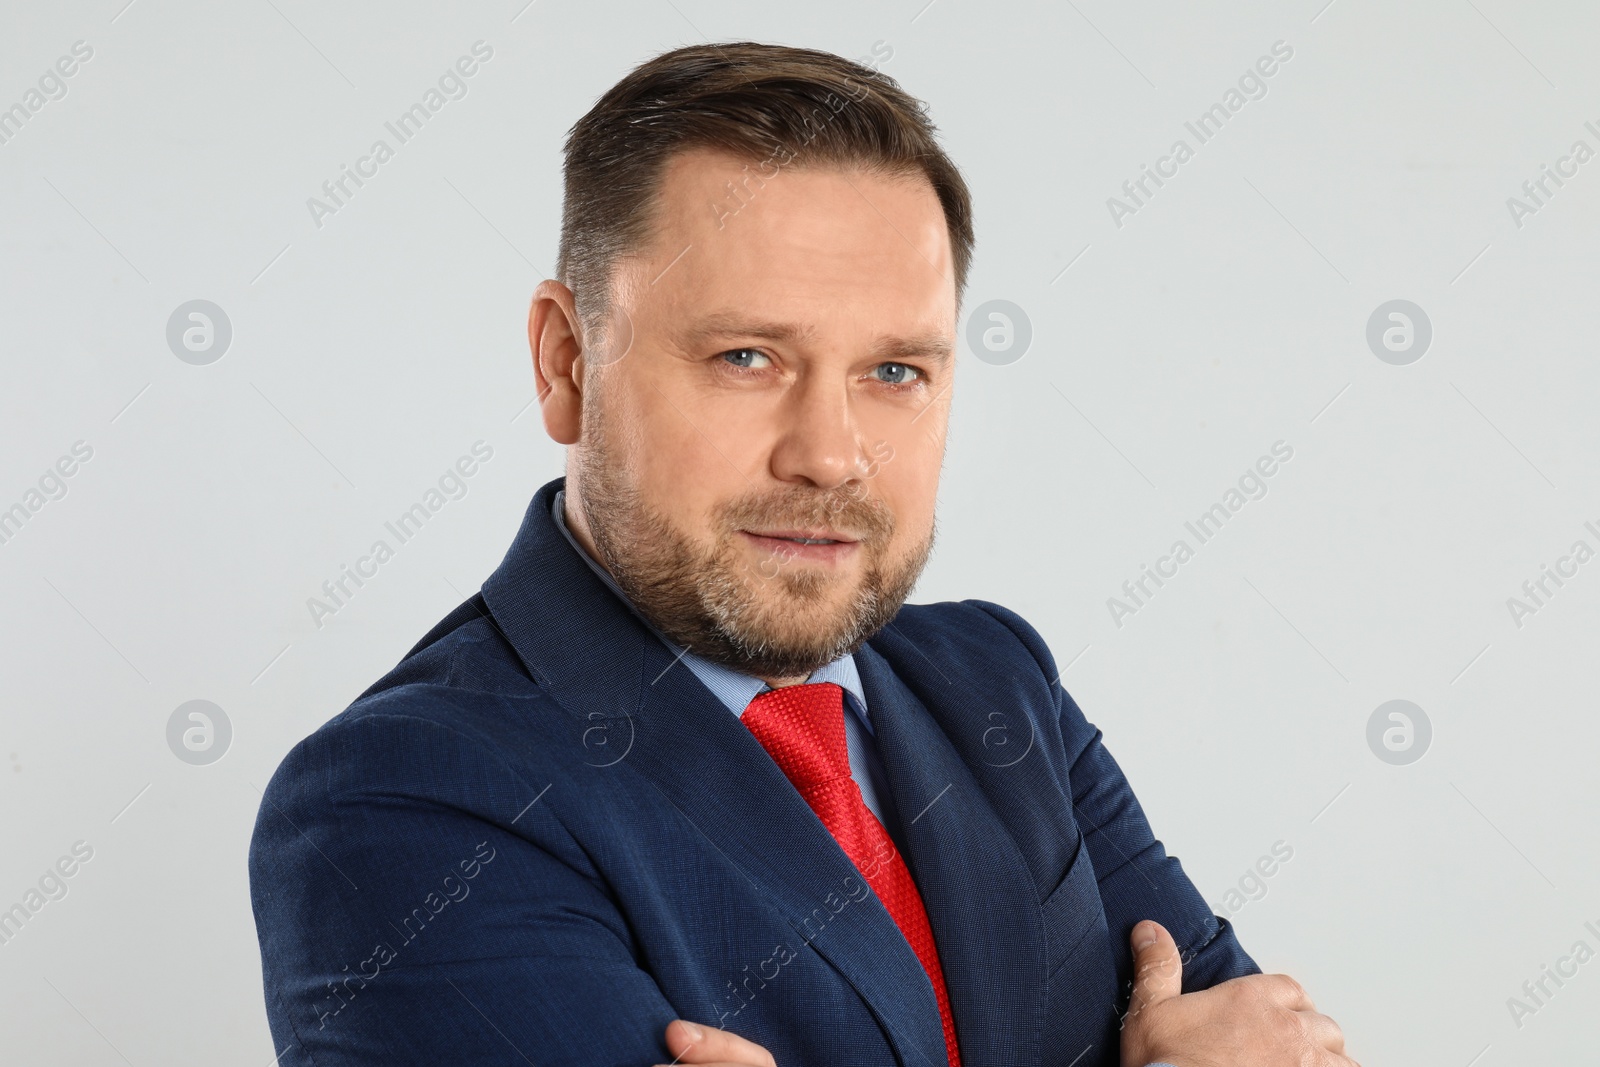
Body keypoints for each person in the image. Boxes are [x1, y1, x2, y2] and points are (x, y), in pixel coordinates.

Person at [249, 41, 1355, 1067]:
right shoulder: (401, 798)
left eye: (894, 372)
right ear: (566, 360)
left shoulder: (996, 681)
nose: (831, 457)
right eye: (746, 355)